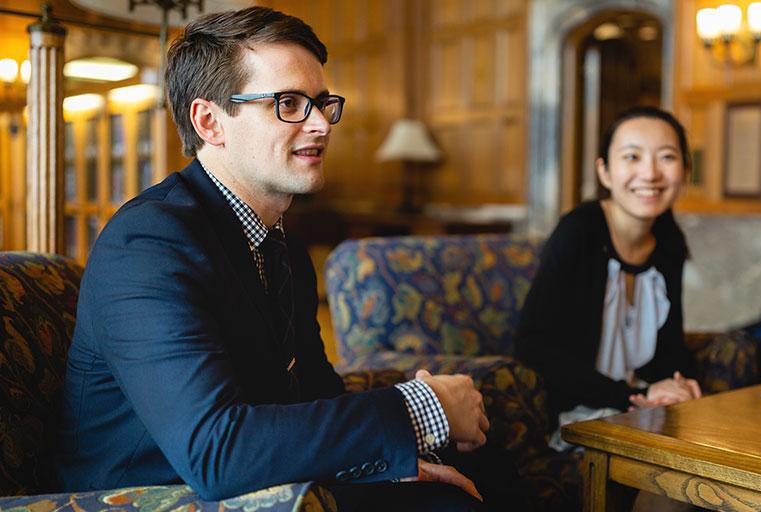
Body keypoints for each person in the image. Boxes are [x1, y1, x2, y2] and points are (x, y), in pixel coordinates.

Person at [56, 7, 492, 510]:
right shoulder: (147, 244)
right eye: (289, 103)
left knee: (474, 467)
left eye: (321, 103)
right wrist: (421, 407)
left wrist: (390, 461)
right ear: (210, 122)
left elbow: (313, 400)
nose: (320, 124)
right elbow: (217, 450)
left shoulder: (283, 246)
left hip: (260, 485)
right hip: (143, 496)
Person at [515, 106, 703, 448]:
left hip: (639, 408)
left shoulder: (669, 243)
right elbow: (532, 347)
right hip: (575, 410)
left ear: (685, 170)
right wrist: (634, 395)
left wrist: (678, 384)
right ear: (604, 171)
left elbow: (670, 347)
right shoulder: (579, 231)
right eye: (632, 157)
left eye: (666, 157)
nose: (650, 173)